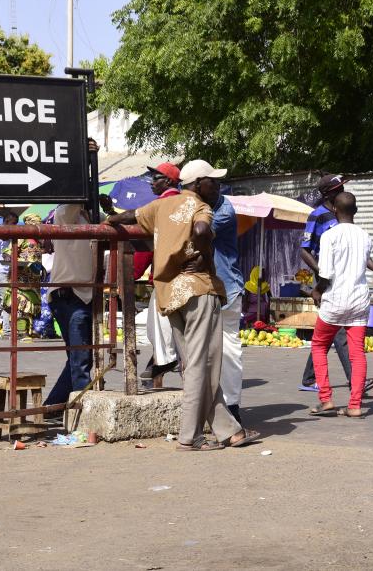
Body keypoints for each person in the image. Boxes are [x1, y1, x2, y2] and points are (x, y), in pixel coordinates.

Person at [107, 159, 260, 451]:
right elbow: (202, 232)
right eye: (211, 181)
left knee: (193, 363)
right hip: (197, 289)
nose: (216, 186)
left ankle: (230, 431)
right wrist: (204, 255)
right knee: (203, 365)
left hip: (168, 293)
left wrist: (109, 221)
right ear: (197, 184)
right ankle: (190, 436)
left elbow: (127, 216)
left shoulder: (162, 206)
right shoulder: (203, 208)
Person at [298, 173, 373, 392]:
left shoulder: (342, 213)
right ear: (327, 194)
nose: (341, 191)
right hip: (326, 277)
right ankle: (354, 381)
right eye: (338, 189)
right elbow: (304, 249)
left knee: (329, 330)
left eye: (342, 188)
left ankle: (310, 377)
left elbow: (359, 252)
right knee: (338, 329)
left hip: (344, 278)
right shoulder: (318, 216)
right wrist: (320, 274)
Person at [306, 192, 372, 419]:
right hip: (359, 301)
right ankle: (354, 405)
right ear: (356, 210)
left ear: (334, 209)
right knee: (357, 353)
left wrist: (317, 291)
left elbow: (325, 274)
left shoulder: (329, 236)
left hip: (334, 300)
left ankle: (326, 399)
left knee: (318, 346)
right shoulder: (365, 236)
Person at [125, 163, 183, 383]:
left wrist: (130, 274)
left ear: (168, 181)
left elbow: (145, 245)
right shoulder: (185, 203)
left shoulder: (160, 205)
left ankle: (166, 360)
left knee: (159, 326)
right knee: (170, 330)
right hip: (186, 275)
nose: (151, 182)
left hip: (167, 276)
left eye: (155, 178)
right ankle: (164, 363)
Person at [42, 203, 96, 408]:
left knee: (78, 358)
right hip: (70, 295)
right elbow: (72, 202)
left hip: (82, 294)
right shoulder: (65, 213)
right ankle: (83, 411)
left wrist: (107, 208)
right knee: (80, 358)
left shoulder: (88, 215)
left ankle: (52, 406)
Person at [212, 180, 246, 422]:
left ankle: (232, 407)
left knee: (228, 351)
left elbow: (199, 231)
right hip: (207, 289)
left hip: (227, 290)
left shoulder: (223, 211)